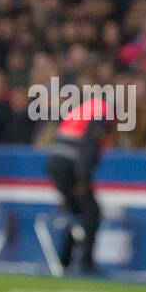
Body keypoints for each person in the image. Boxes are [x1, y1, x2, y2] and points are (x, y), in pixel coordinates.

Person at [46, 98, 110, 273]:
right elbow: (90, 147)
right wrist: (82, 180)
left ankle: (65, 260)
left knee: (77, 210)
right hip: (70, 167)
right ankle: (85, 262)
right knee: (91, 212)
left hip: (57, 164)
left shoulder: (83, 109)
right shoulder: (100, 113)